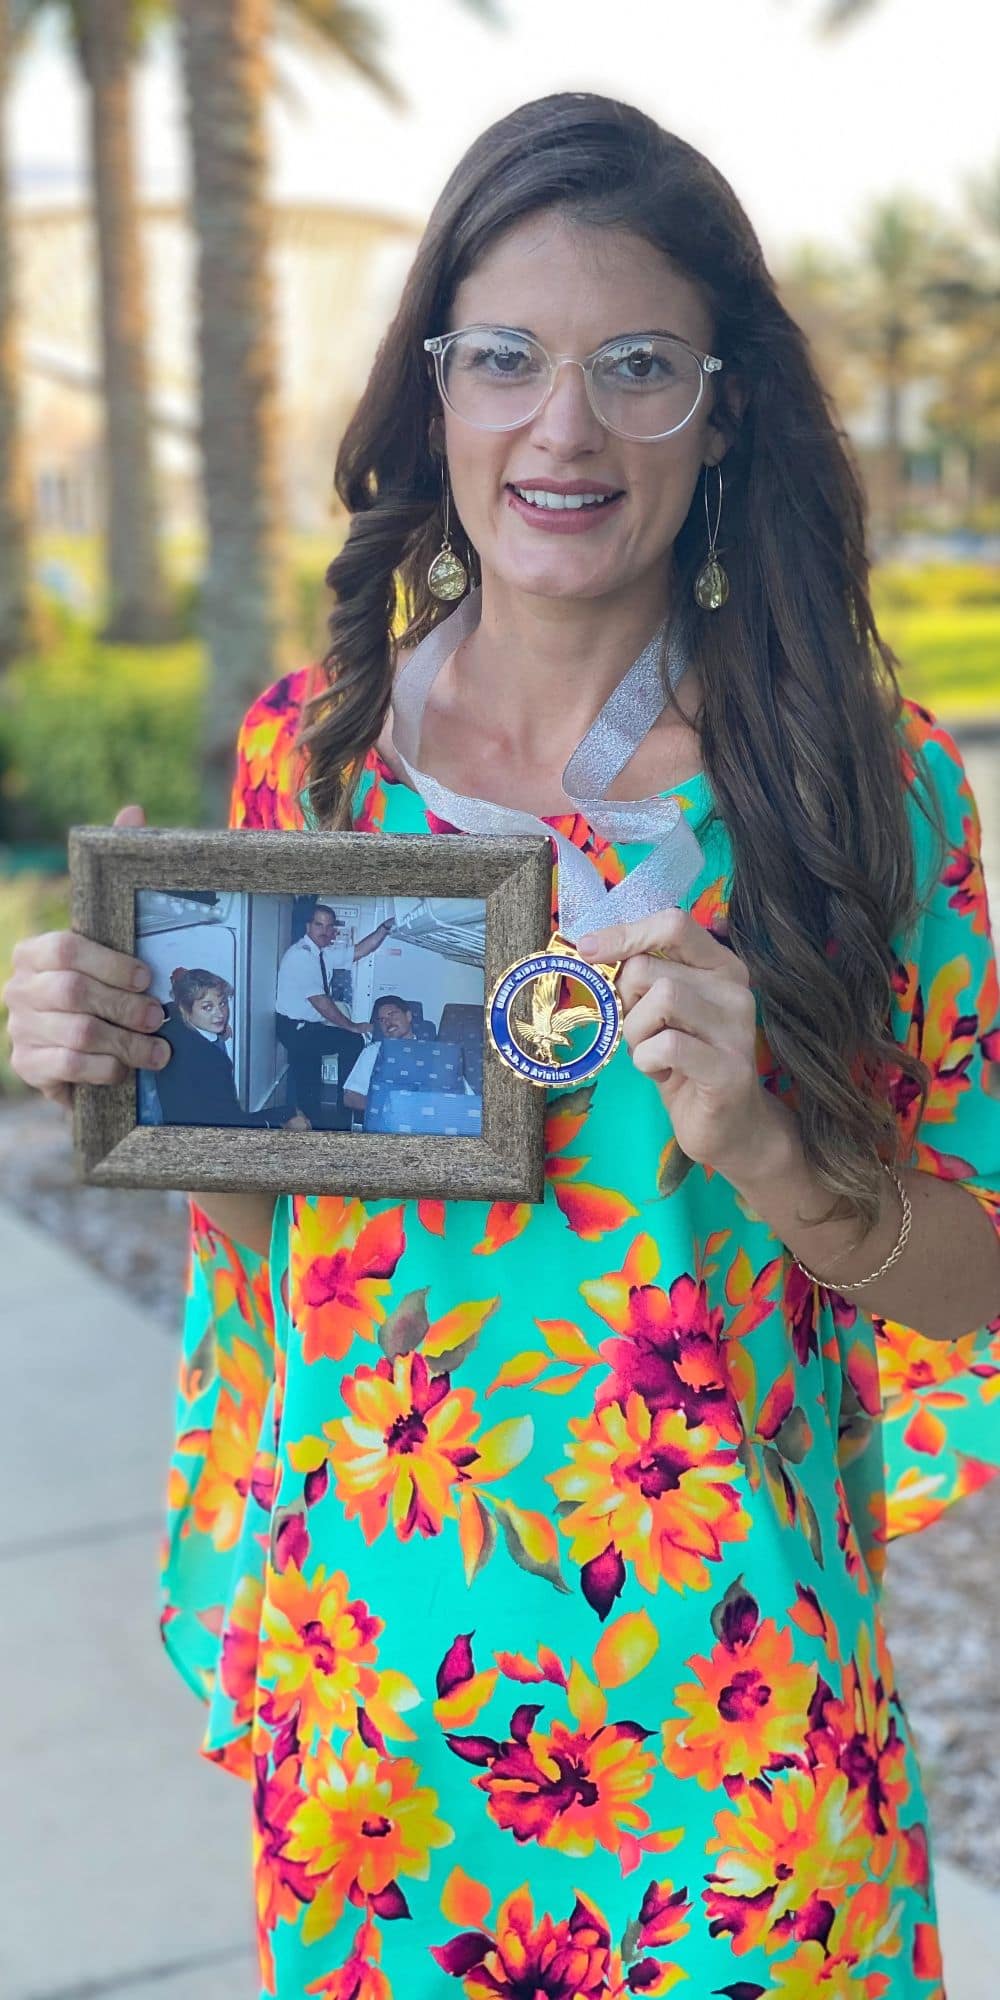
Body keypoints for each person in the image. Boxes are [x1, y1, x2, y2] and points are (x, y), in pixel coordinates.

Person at [5, 93, 1000, 2000]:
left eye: (639, 366)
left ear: (724, 411)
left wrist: (784, 1160)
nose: (566, 428)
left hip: (726, 1740)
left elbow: (977, 1282)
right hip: (379, 1716)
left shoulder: (854, 790)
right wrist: (111, 1067)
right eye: (508, 360)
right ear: (434, 397)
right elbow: (273, 1239)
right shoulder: (305, 763)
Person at [274, 900, 393, 1126]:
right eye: (319, 925)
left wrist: (383, 929)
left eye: (329, 927)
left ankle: (325, 1117)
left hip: (307, 1027)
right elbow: (320, 1002)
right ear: (308, 926)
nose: (325, 931)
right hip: (295, 1029)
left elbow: (360, 950)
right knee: (351, 1041)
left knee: (309, 1080)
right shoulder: (302, 955)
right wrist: (352, 1025)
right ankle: (343, 1111)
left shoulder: (322, 954)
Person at [153, 966, 308, 1130]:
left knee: (291, 1111)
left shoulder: (171, 1023)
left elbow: (172, 1005)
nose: (220, 1014)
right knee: (297, 1118)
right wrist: (281, 1127)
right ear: (186, 1009)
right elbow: (232, 1123)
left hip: (177, 1122)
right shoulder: (214, 1061)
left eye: (222, 1003)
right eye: (207, 1007)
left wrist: (217, 1027)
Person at [341, 993, 417, 1119]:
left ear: (408, 1016)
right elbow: (350, 1097)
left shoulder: (434, 1053)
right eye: (382, 1020)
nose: (388, 1022)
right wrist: (387, 1108)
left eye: (392, 1015)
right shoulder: (373, 1052)